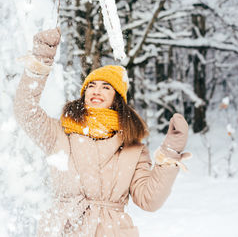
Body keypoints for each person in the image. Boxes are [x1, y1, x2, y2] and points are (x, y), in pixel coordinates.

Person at [14, 28, 191, 237]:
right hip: (64, 229)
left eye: (106, 87)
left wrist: (170, 152)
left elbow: (149, 200)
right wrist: (41, 61)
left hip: (111, 231)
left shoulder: (133, 147)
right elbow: (25, 110)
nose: (96, 91)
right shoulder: (59, 133)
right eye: (91, 86)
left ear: (117, 98)